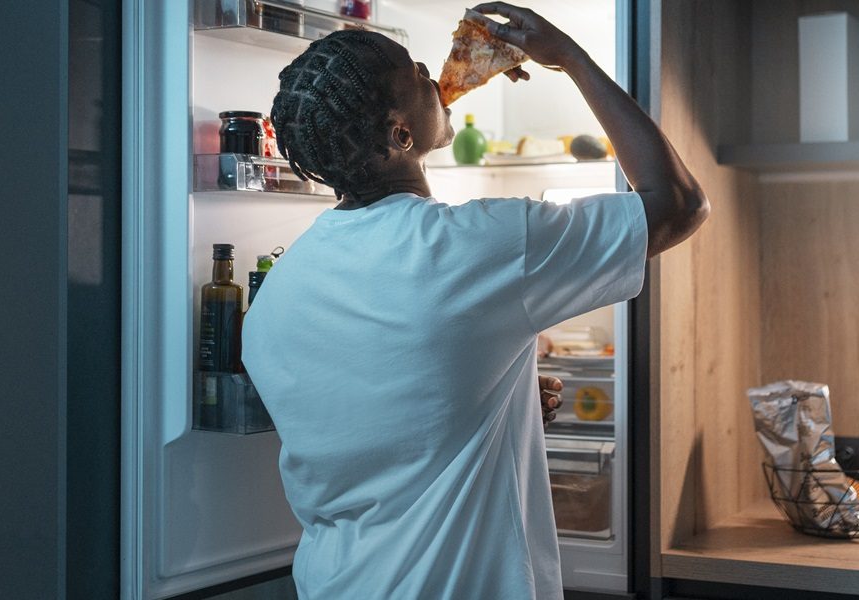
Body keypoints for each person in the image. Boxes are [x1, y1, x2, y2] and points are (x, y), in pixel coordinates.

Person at [242, 3, 707, 598]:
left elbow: (380, 416)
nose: (433, 77)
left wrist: (485, 395)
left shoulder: (280, 290)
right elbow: (678, 203)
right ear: (401, 135)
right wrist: (570, 58)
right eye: (417, 73)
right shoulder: (476, 243)